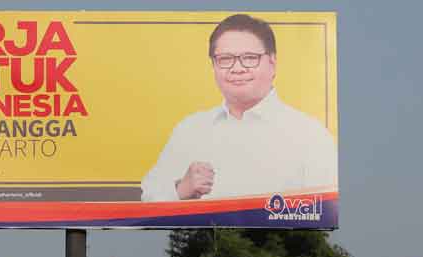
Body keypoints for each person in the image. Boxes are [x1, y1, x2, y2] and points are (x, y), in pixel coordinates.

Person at [140, 13, 337, 202]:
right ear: (213, 65)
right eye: (225, 59)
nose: (237, 68)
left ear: (272, 62)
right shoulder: (190, 129)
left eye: (250, 58)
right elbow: (148, 197)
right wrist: (181, 189)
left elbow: (327, 211)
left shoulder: (309, 135)